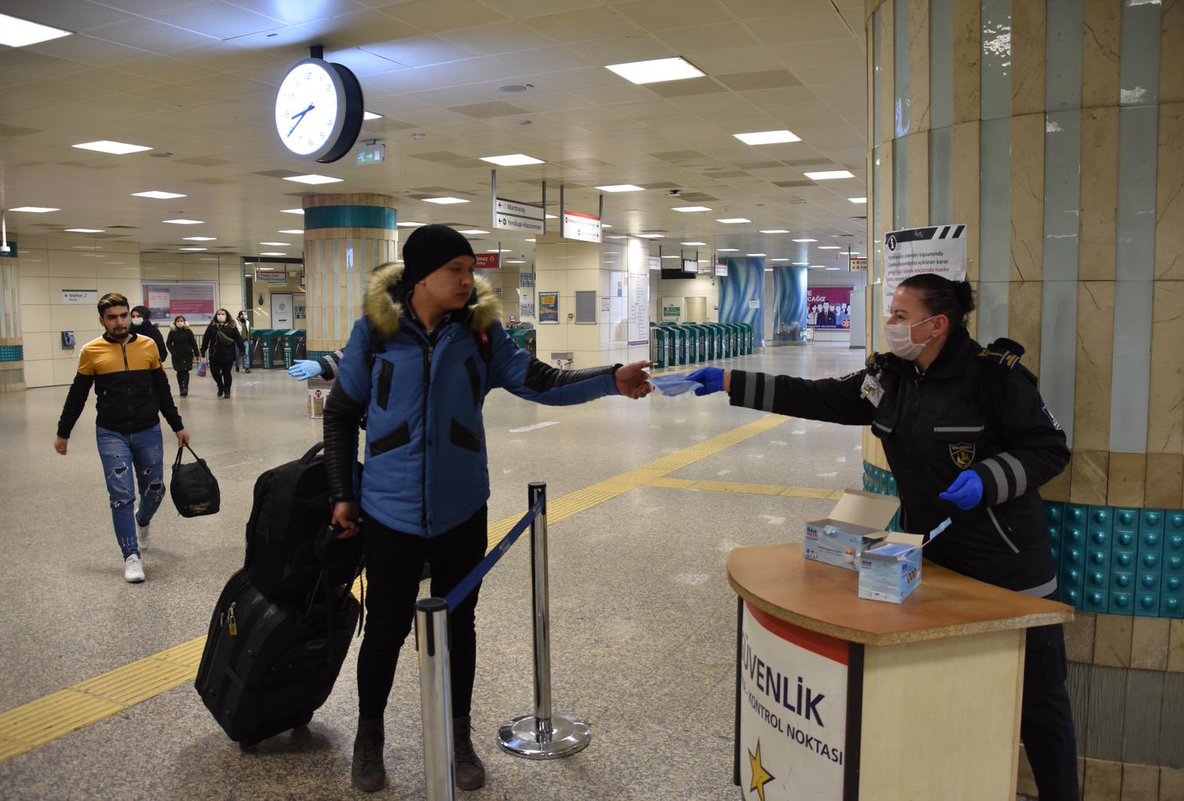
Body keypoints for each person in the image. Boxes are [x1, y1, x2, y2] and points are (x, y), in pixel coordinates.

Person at [687, 272, 1079, 801]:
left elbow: (1049, 448)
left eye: (900, 314)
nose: (890, 324)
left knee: (1040, 707)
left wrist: (988, 478)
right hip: (935, 563)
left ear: (936, 324)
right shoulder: (892, 377)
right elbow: (823, 397)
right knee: (949, 692)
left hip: (1009, 569)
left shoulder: (994, 378)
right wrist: (735, 382)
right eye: (892, 313)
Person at [322, 224, 652, 794]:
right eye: (456, 269)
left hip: (460, 507)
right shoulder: (374, 333)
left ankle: (458, 736)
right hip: (389, 508)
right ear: (421, 275)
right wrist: (343, 492)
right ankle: (368, 739)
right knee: (384, 628)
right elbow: (340, 412)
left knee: (459, 627)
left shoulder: (479, 333)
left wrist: (608, 380)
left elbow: (540, 381)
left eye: (471, 269)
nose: (468, 280)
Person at [54, 293, 190, 583]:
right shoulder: (92, 352)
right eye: (112, 317)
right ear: (102, 320)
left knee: (155, 489)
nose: (120, 322)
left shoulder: (149, 346)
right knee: (121, 497)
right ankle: (131, 556)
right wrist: (63, 432)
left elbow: (163, 391)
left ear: (131, 316)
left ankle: (142, 520)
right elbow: (77, 395)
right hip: (111, 432)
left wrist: (177, 425)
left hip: (147, 429)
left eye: (124, 316)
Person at [200, 308, 243, 398]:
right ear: (216, 315)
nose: (221, 315)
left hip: (228, 354)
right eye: (219, 314)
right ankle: (220, 386)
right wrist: (203, 350)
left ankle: (227, 390)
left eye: (223, 314)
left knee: (227, 373)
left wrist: (242, 349)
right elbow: (206, 338)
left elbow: (238, 338)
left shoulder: (232, 326)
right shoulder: (212, 326)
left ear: (227, 316)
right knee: (215, 373)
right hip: (214, 354)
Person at [166, 315, 201, 397]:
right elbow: (168, 343)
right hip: (176, 355)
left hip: (187, 354)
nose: (180, 322)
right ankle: (181, 388)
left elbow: (193, 343)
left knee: (185, 371)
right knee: (179, 371)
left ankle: (185, 387)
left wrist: (197, 354)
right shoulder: (172, 332)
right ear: (175, 322)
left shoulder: (188, 331)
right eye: (178, 321)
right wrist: (172, 351)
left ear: (184, 322)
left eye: (181, 320)